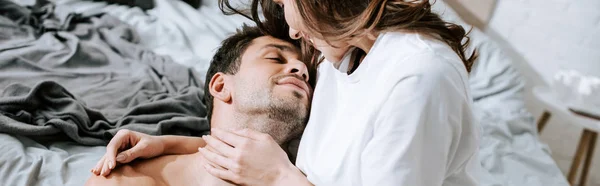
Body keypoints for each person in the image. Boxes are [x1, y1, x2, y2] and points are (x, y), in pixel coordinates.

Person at [95, 0, 482, 185]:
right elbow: (259, 126)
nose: (294, 33)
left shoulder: (416, 77)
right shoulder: (336, 55)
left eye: (285, 2)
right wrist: (171, 145)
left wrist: (278, 177)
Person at [86, 25, 313, 185]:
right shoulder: (128, 179)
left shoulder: (313, 169)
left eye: (308, 73)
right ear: (221, 86)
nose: (301, 69)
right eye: (275, 58)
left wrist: (280, 178)